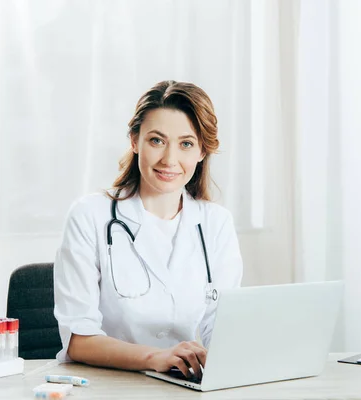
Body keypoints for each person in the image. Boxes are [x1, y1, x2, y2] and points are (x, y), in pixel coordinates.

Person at [53, 80, 243, 380]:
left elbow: (221, 329)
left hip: (188, 386)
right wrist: (156, 357)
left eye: (186, 143)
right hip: (112, 386)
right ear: (134, 141)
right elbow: (78, 341)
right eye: (156, 140)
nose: (169, 159)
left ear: (202, 151)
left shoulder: (216, 224)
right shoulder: (90, 215)